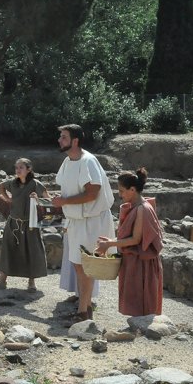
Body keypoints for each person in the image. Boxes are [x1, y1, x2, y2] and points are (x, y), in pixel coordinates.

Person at [52, 124, 115, 321]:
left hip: (91, 220)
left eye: (64, 137)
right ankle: (84, 307)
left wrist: (65, 202)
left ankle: (83, 312)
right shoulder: (67, 161)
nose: (60, 140)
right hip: (75, 221)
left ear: (75, 141)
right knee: (78, 265)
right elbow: (68, 189)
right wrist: (61, 200)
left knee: (86, 265)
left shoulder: (88, 161)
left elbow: (92, 193)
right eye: (60, 136)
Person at [96, 168, 164, 317]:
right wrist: (111, 242)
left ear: (132, 189)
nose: (120, 195)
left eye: (122, 191)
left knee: (141, 301)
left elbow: (136, 239)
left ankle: (143, 328)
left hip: (142, 263)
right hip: (135, 260)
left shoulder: (142, 209)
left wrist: (110, 244)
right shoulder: (136, 206)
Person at [0, 158, 49, 291]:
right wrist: (7, 198)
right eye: (16, 168)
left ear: (29, 169)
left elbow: (48, 200)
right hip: (13, 222)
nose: (18, 170)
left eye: (21, 167)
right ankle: (2, 280)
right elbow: (0, 186)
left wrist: (37, 199)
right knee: (7, 250)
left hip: (30, 224)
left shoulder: (35, 184)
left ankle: (31, 283)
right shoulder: (13, 183)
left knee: (31, 251)